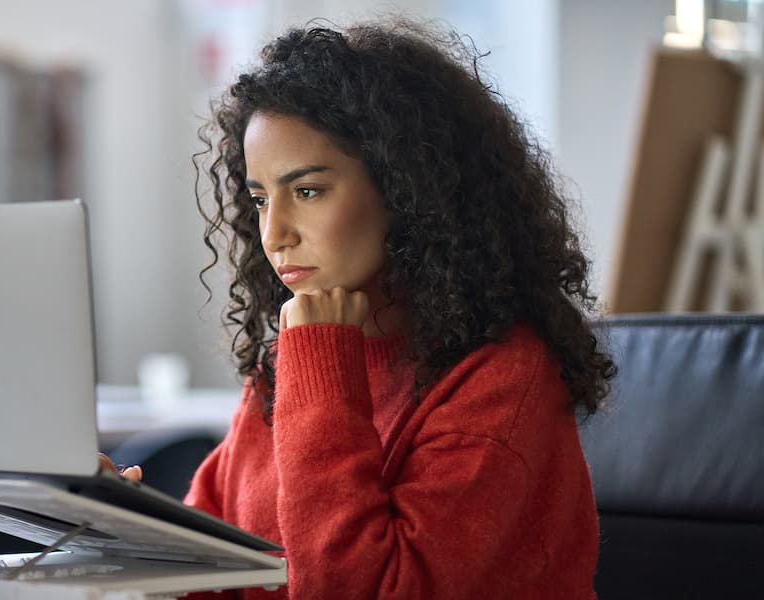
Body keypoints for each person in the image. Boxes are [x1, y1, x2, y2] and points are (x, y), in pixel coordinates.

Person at [175, 18, 617, 599]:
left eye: (307, 191)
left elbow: (359, 589)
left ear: (406, 190)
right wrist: (112, 530)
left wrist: (321, 364)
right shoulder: (289, 365)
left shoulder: (503, 379)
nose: (274, 232)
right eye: (260, 199)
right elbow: (208, 562)